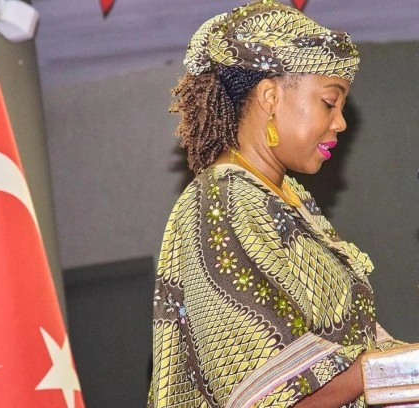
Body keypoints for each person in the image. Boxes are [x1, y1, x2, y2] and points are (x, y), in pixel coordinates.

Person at [148, 1, 403, 407]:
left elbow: (355, 346)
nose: (340, 123)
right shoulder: (223, 200)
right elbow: (269, 393)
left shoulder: (288, 197)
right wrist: (390, 365)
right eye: (329, 102)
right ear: (270, 96)